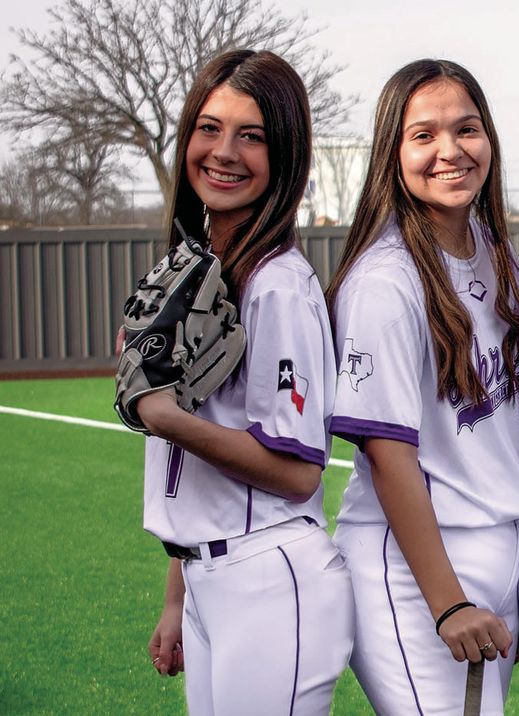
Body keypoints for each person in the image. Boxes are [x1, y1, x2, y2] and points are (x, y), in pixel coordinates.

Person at [138, 50, 353, 714]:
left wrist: (168, 416)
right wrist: (177, 596)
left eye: (251, 135)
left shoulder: (278, 285)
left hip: (269, 578)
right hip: (210, 577)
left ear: (283, 155)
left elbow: (297, 472)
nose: (223, 151)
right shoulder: (200, 271)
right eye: (209, 127)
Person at [324, 59, 519, 714]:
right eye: (424, 136)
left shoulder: (493, 249)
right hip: (418, 572)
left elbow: (516, 423)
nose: (450, 151)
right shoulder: (384, 279)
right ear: (393, 153)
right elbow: (389, 458)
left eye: (467, 129)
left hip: (498, 551)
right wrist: (447, 602)